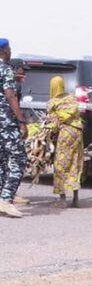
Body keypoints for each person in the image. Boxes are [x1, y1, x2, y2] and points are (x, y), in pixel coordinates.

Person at [0, 38, 28, 218]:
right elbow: (10, 96)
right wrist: (21, 121)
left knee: (2, 161)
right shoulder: (5, 69)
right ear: (4, 51)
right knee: (19, 159)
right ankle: (6, 199)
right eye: (9, 49)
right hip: (5, 123)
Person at [46, 76, 83, 208]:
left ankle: (62, 199)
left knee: (61, 164)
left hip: (65, 134)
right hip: (77, 133)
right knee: (75, 163)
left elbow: (54, 123)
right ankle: (76, 198)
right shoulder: (72, 98)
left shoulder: (53, 102)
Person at [8, 59, 31, 205]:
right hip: (9, 127)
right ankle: (9, 194)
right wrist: (22, 123)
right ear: (15, 69)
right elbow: (13, 103)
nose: (24, 74)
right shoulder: (13, 85)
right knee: (17, 159)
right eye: (23, 70)